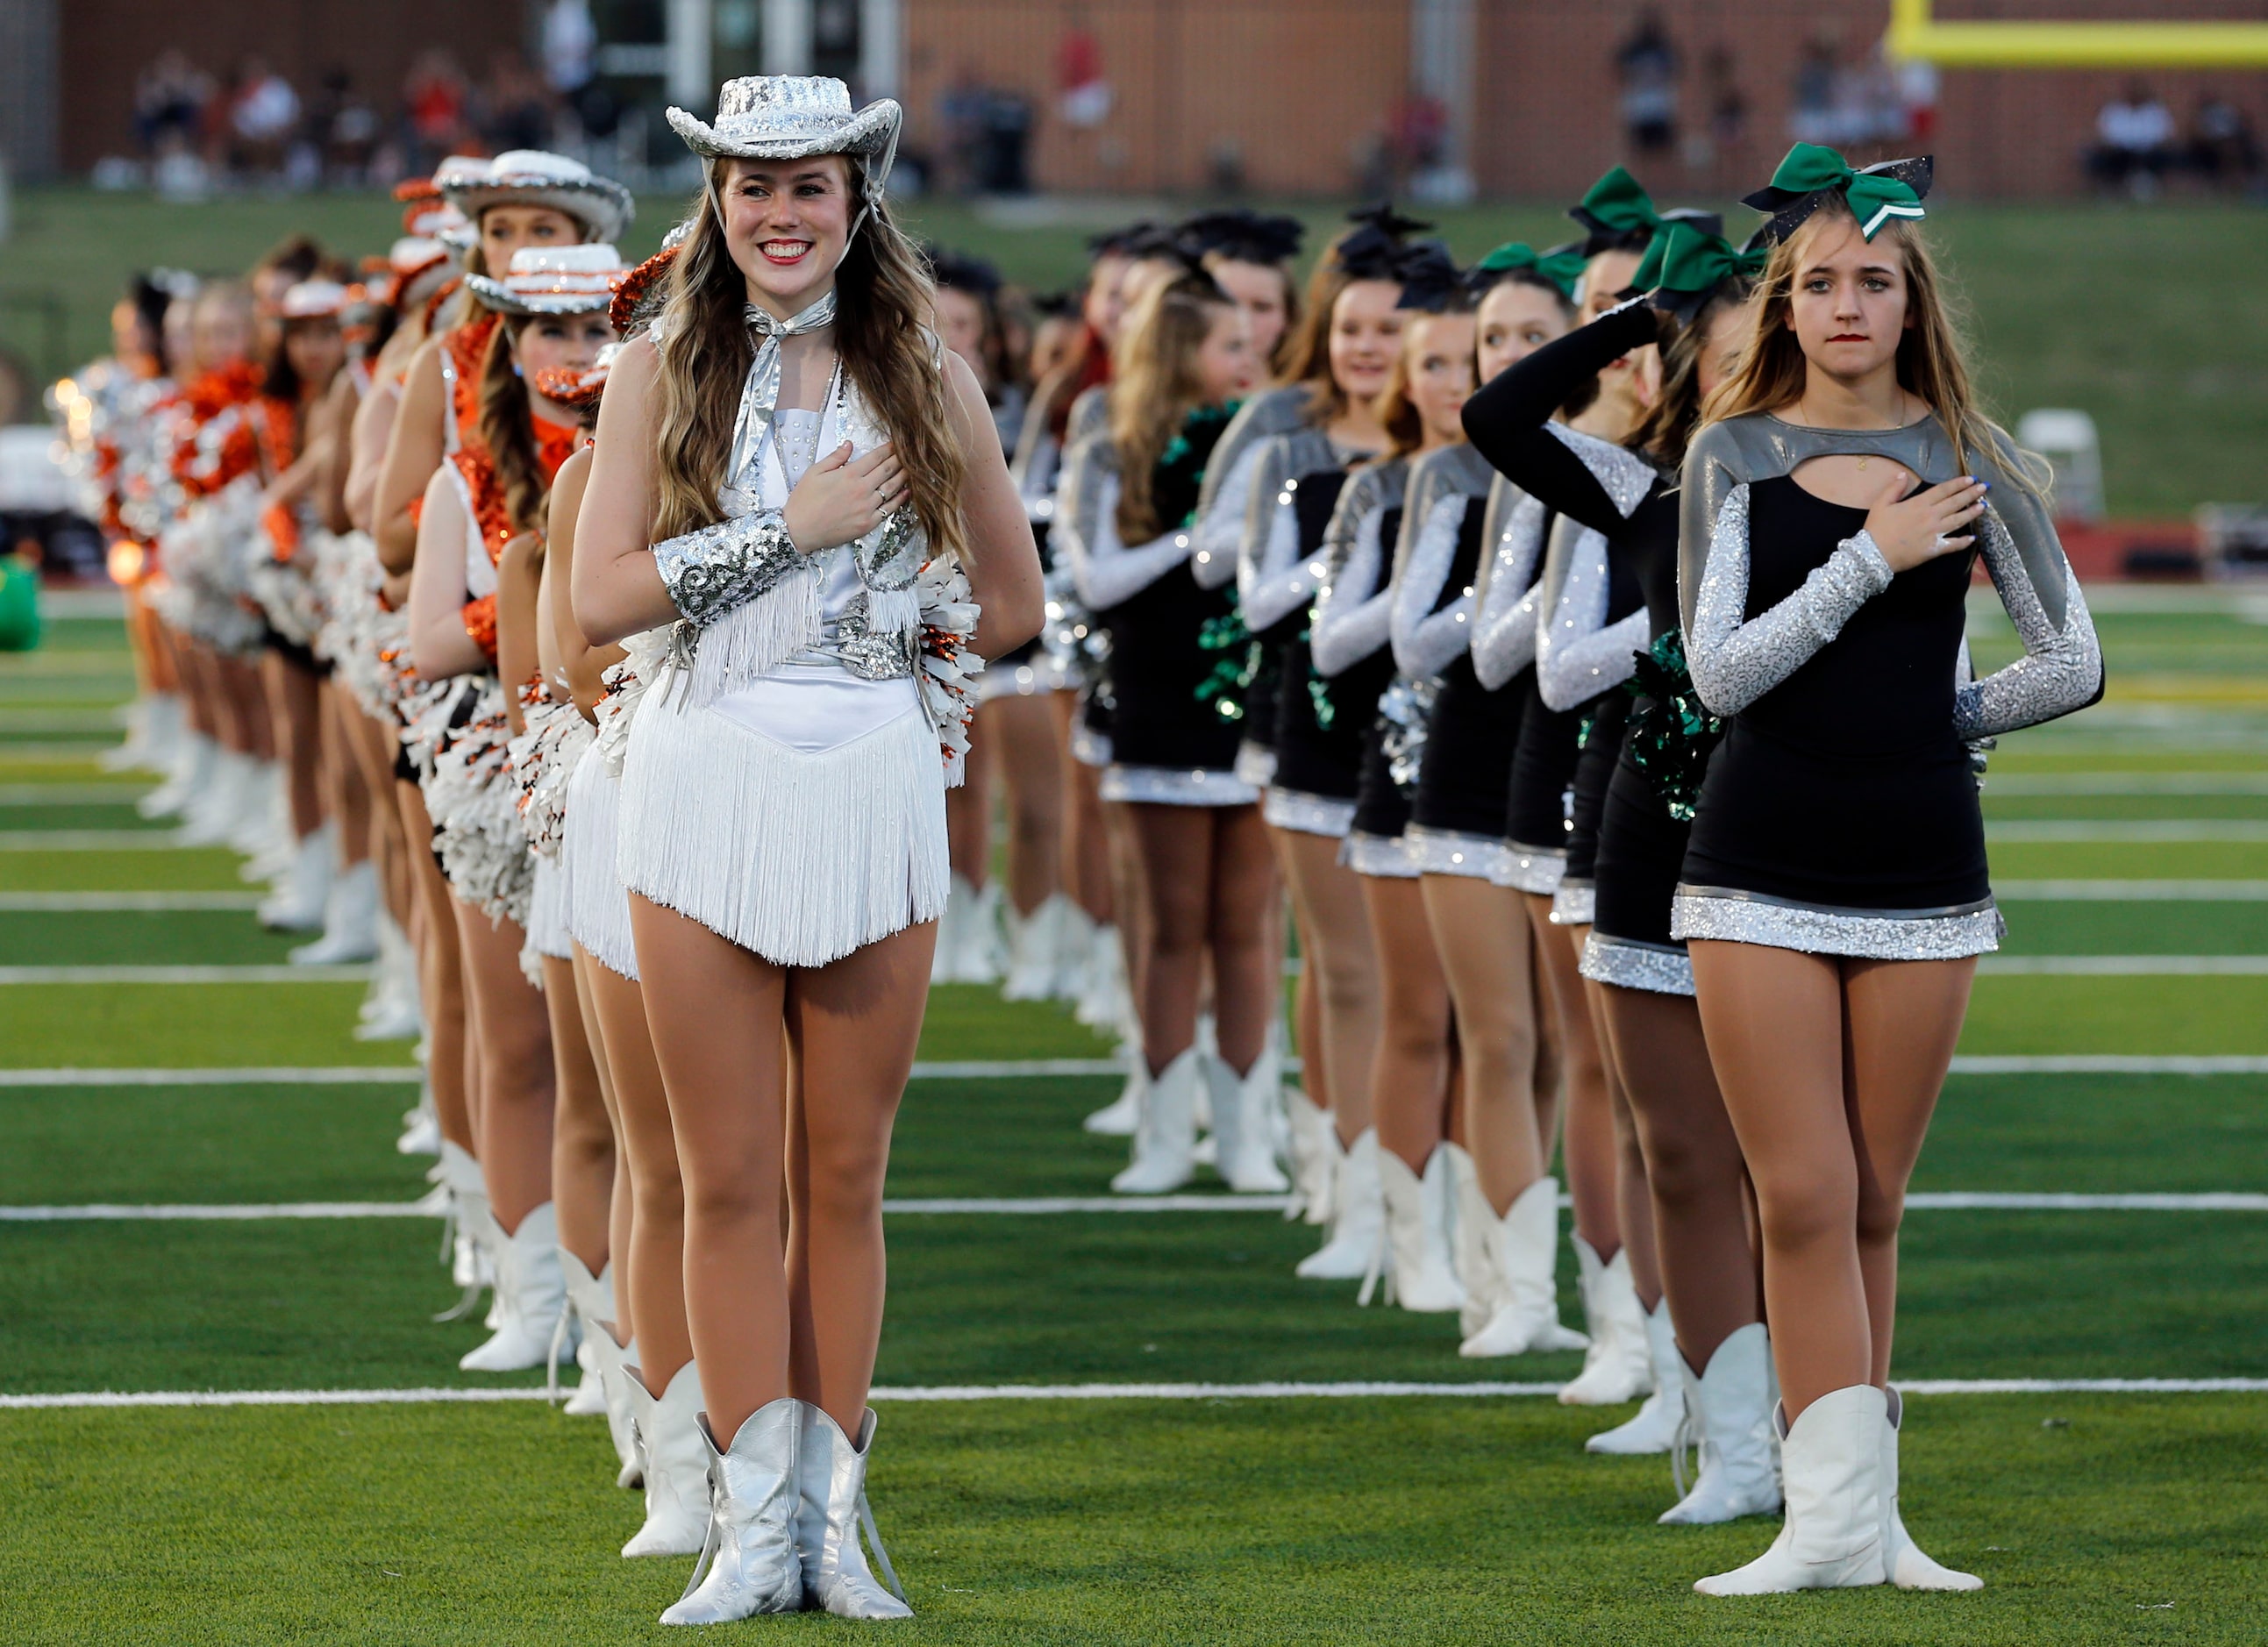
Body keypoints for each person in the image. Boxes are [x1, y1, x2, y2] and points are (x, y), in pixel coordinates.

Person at [572, 75, 1041, 1622]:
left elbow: (1019, 606)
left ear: (859, 203)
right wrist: (798, 531)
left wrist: (902, 628)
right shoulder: (656, 369)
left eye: (809, 188)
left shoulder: (929, 374)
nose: (779, 216)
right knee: (725, 1179)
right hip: (703, 774)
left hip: (870, 783)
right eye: (751, 187)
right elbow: (599, 595)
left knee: (843, 1173)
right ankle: (744, 1525)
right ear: (713, 202)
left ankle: (835, 1527)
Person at [1674, 144, 2100, 1594]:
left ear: (1913, 301)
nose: (1845, 303)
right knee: (1795, 1189)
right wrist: (1865, 558)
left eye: (1872, 279)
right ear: (1781, 310)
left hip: (1923, 855)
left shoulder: (1975, 463)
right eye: (1817, 283)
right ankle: (1821, 1521)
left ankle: (1870, 1521)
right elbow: (1720, 677)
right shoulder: (1727, 457)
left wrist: (1949, 719)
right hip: (1753, 854)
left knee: (1869, 1197)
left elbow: (2073, 659)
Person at [408, 242, 624, 1373]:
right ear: (509, 345)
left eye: (596, 329)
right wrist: (536, 602)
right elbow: (423, 638)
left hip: (622, 767)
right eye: (549, 331)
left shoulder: (647, 459)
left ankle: (615, 1333)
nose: (574, 353)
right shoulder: (465, 476)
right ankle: (529, 1292)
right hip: (498, 780)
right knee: (517, 1040)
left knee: (619, 1074)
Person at [1059, 260, 1281, 1196]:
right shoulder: (1106, 438)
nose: (1248, 359)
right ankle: (1162, 1133)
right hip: (1154, 699)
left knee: (1245, 927)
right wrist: (1198, 536)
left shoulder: (1264, 439)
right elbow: (1098, 579)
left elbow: (1254, 561)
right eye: (1230, 344)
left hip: (1251, 701)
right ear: (1182, 351)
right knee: (1168, 930)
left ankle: (1246, 1137)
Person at [1402, 241, 1588, 1358]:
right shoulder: (1453, 473)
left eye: (1533, 335)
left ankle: (1539, 1280)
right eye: (1498, 342)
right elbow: (1440, 642)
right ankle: (1514, 1293)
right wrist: (1555, 606)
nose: (1515, 354)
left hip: (1583, 768)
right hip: (1474, 764)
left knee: (1568, 1049)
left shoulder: (1628, 460)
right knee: (1502, 1035)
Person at [1228, 209, 1417, 1252]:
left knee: (1412, 988)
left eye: (1389, 330)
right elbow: (1257, 599)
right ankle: (1339, 1177)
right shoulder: (1291, 443)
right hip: (1314, 717)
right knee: (1340, 968)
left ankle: (1408, 1190)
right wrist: (1358, 572)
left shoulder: (1446, 450)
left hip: (1425, 735)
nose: (1367, 348)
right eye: (1351, 327)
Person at [1309, 241, 1473, 1312]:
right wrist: (1457, 619)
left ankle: (1491, 1253)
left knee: (1507, 1037)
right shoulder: (1379, 487)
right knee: (1410, 1009)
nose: (1452, 381)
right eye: (1441, 361)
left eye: (1478, 359)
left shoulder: (1549, 478)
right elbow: (1331, 640)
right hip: (1406, 760)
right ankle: (1401, 1241)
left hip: (1517, 777)